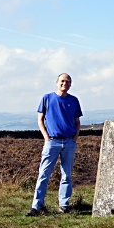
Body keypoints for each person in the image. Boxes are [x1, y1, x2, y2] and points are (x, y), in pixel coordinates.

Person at [26, 73, 82, 215]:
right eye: (62, 81)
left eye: (68, 81)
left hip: (69, 142)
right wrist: (46, 137)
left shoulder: (74, 100)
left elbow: (77, 122)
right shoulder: (47, 98)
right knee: (44, 174)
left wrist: (74, 138)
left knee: (67, 175)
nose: (65, 84)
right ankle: (36, 207)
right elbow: (40, 119)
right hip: (52, 142)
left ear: (70, 84)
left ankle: (64, 205)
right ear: (57, 82)